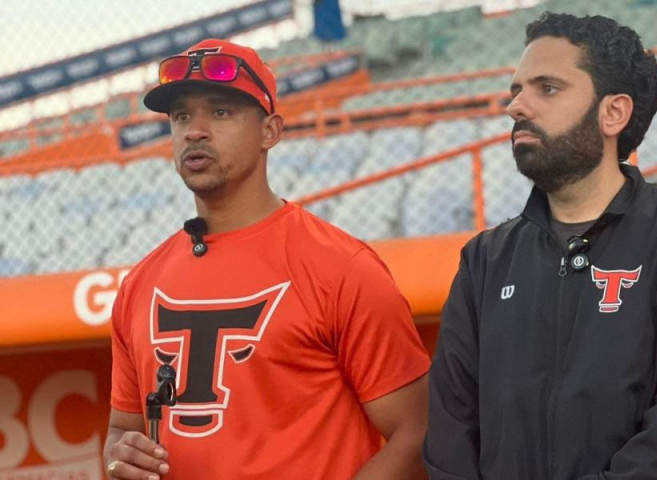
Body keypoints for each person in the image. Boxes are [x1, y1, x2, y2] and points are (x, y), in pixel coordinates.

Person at [424, 12, 657, 480]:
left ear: (613, 112)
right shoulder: (485, 259)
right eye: (516, 90)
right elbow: (450, 440)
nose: (516, 107)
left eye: (548, 88)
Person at [103, 38, 431, 480]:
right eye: (181, 116)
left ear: (270, 132)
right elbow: (120, 432)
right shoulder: (140, 284)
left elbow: (418, 435)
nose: (194, 130)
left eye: (220, 112)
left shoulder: (342, 267)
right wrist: (121, 458)